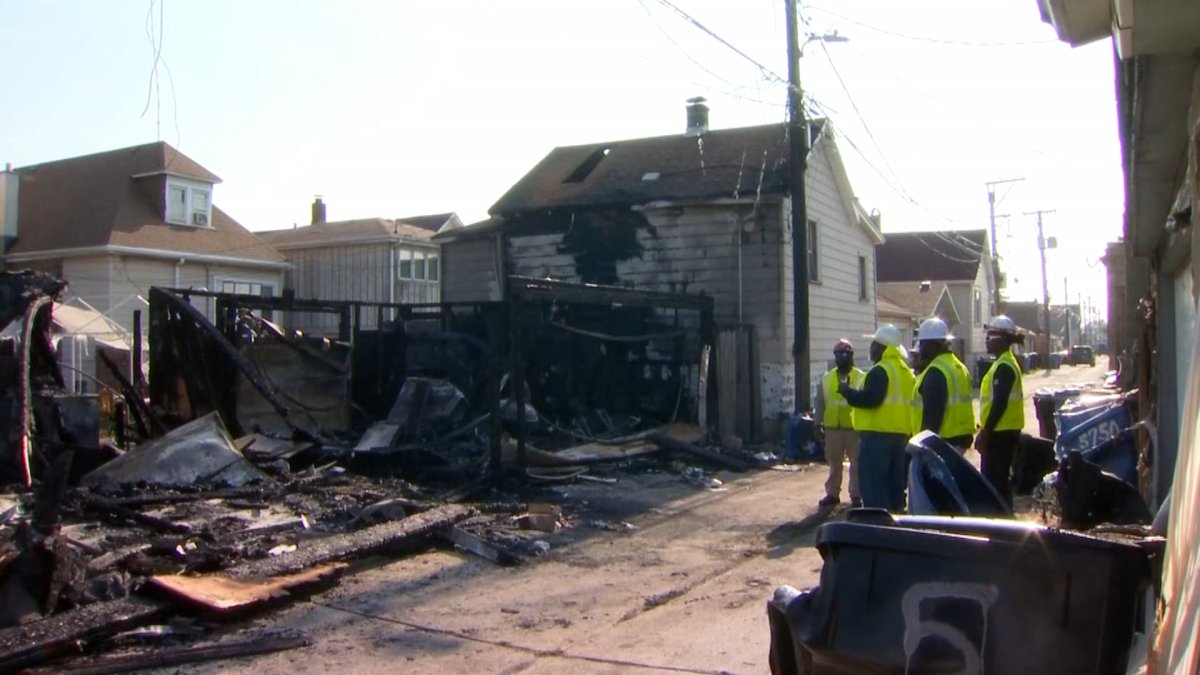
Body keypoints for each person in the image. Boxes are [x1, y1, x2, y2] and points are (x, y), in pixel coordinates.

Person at [839, 324, 916, 511]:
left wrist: (847, 392)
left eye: (874, 345)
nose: (871, 349)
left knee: (873, 485)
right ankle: (896, 517)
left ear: (883, 347)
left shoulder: (880, 370)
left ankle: (876, 521)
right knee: (895, 484)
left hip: (877, 436)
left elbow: (871, 399)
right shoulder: (905, 371)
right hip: (900, 436)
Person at [976, 315, 1026, 508]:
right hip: (1002, 431)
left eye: (990, 336)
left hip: (1001, 433)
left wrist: (986, 432)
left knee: (995, 481)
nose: (987, 340)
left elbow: (1000, 403)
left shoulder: (1005, 367)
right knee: (997, 480)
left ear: (1002, 340)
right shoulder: (1002, 363)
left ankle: (1000, 516)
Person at [911, 317, 976, 450]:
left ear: (931, 345)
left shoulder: (936, 371)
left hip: (941, 444)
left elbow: (932, 418)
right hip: (960, 440)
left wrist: (922, 447)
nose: (920, 349)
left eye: (922, 344)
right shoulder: (960, 367)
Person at [814, 339, 866, 507]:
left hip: (854, 427)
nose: (842, 357)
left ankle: (856, 495)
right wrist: (817, 424)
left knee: (856, 463)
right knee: (834, 463)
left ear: (851, 356)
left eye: (845, 354)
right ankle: (832, 493)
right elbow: (820, 403)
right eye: (839, 354)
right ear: (835, 357)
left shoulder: (861, 377)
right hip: (832, 428)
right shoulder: (827, 378)